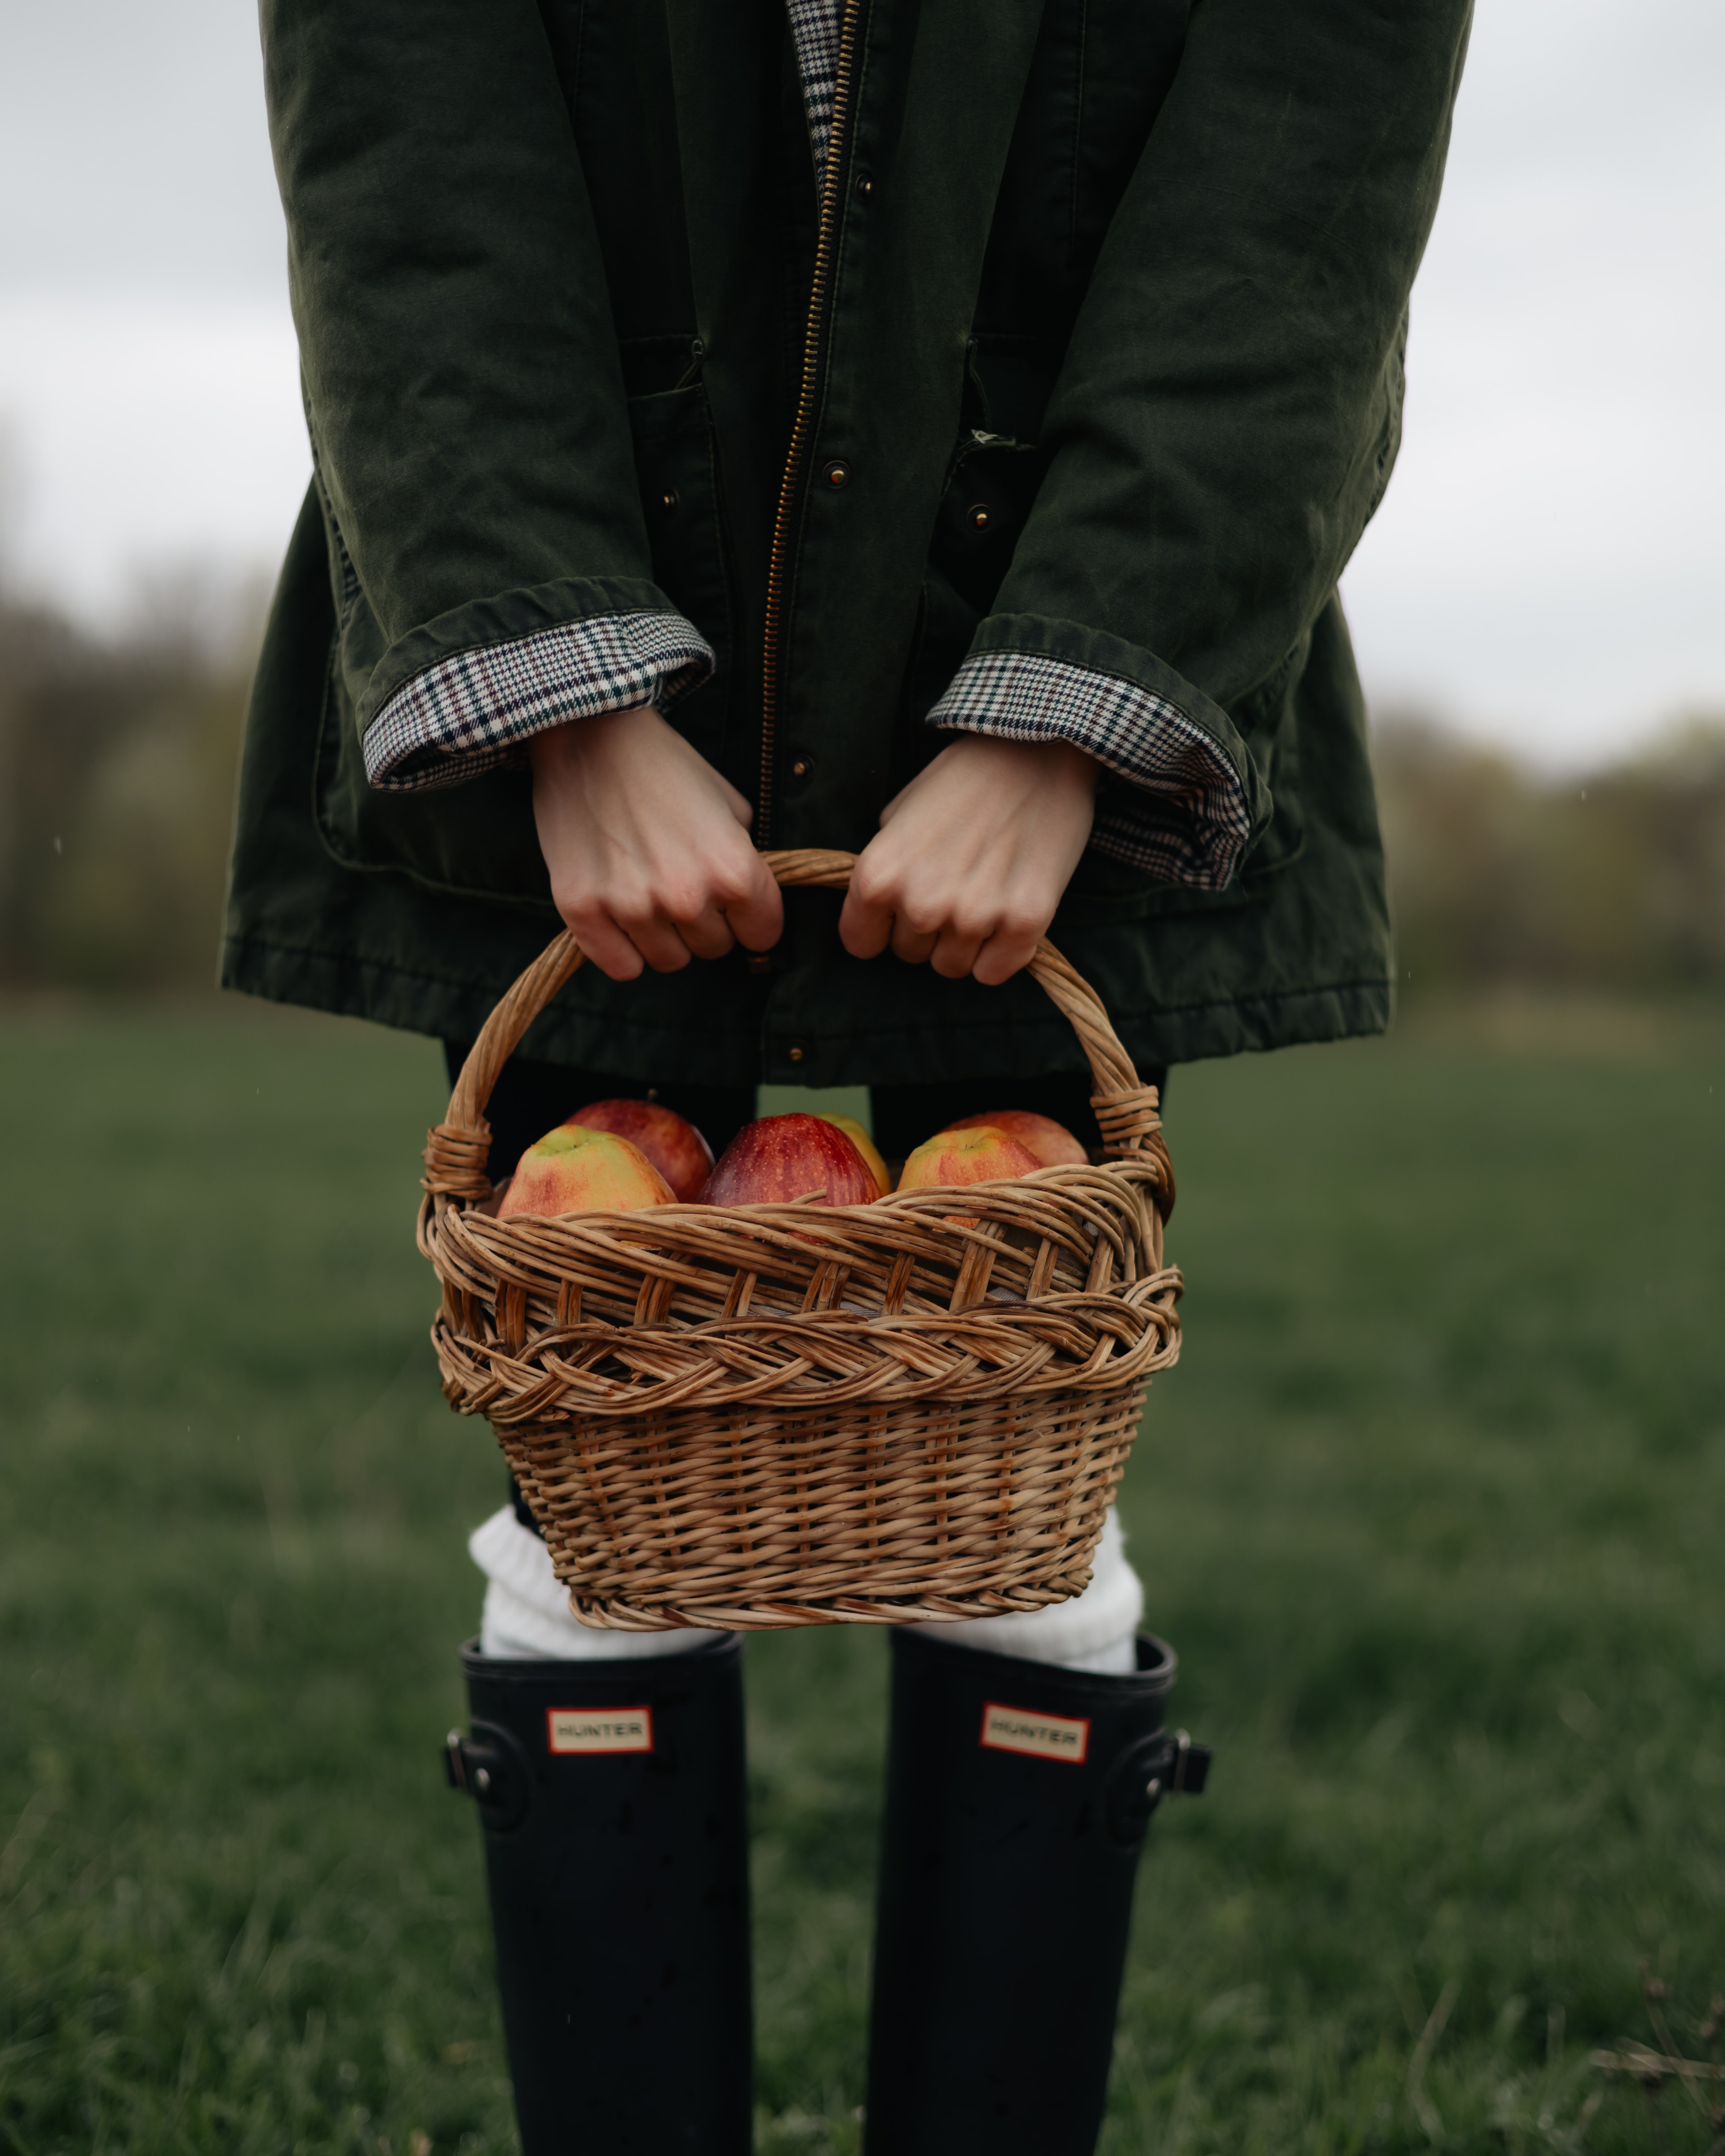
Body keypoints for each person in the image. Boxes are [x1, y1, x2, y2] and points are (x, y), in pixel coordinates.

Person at [231, 2, 1472, 2147]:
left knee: (1024, 1512)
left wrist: (1082, 706)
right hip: (594, 724)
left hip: (1028, 693)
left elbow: (1301, 179)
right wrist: (562, 691)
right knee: (599, 1508)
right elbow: (405, 147)